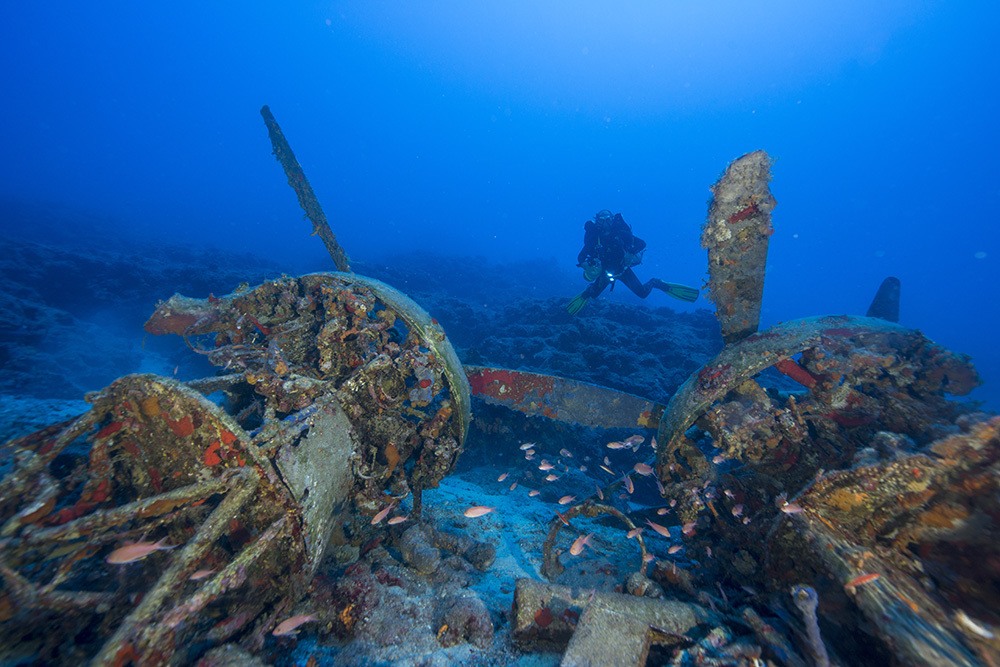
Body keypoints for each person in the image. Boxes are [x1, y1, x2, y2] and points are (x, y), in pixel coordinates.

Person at [566, 209, 698, 315]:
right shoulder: (594, 238)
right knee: (593, 295)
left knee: (642, 294)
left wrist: (630, 252)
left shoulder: (621, 234)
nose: (605, 223)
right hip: (605, 273)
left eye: (608, 219)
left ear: (612, 220)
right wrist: (587, 267)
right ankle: (589, 291)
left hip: (623, 270)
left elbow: (642, 243)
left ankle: (655, 282)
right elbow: (581, 257)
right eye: (602, 220)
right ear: (597, 222)